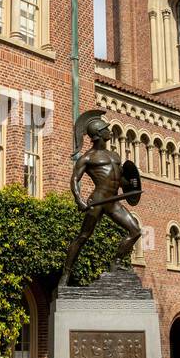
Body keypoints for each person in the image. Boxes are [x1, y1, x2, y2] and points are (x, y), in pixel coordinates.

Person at [59, 110, 142, 286]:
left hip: (113, 202)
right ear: (98, 134)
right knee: (83, 236)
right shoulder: (87, 158)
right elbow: (74, 179)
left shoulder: (115, 156)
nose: (109, 132)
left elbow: (120, 180)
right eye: (106, 129)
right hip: (97, 201)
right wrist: (79, 200)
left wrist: (132, 184)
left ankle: (116, 261)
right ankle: (66, 274)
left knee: (135, 231)